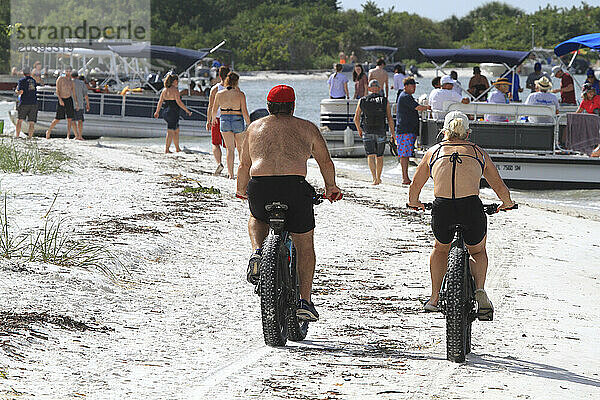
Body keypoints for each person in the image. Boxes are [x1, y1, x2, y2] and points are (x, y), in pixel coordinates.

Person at [236, 84, 342, 322]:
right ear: (293, 106)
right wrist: (331, 187)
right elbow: (325, 162)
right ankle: (305, 300)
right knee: (305, 244)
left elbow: (244, 165)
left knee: (257, 217)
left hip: (261, 186)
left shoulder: (254, 128)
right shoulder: (307, 127)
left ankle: (257, 253)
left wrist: (241, 190)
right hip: (294, 187)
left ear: (268, 106)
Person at [407, 111, 515, 314]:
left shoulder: (433, 152)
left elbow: (415, 185)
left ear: (445, 131)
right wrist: (506, 203)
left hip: (443, 208)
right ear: (467, 132)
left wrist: (414, 202)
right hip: (471, 208)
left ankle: (434, 298)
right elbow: (498, 185)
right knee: (477, 251)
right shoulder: (478, 152)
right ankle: (480, 289)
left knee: (440, 249)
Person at [353, 80, 395, 185]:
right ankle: (379, 178)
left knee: (370, 155)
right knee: (379, 156)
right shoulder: (384, 100)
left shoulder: (362, 100)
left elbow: (356, 118)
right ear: (379, 88)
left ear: (370, 89)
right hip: (381, 131)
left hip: (367, 130)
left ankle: (374, 178)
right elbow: (390, 118)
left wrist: (359, 129)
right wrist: (393, 133)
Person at [211, 71, 251, 179]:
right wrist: (249, 124)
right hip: (237, 119)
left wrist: (213, 119)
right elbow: (245, 112)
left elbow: (214, 110)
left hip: (224, 120)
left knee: (229, 149)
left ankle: (231, 174)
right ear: (236, 82)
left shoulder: (219, 94)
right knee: (240, 148)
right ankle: (243, 171)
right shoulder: (240, 94)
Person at [396, 77, 431, 185]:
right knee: (404, 155)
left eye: (415, 85)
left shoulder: (407, 96)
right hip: (405, 129)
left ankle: (405, 178)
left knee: (405, 154)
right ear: (406, 86)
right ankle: (405, 178)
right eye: (412, 85)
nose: (414, 87)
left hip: (407, 129)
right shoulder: (405, 96)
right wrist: (429, 107)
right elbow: (418, 108)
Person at [153, 74, 192, 153]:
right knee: (170, 131)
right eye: (177, 81)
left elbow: (160, 102)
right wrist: (187, 110)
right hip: (173, 112)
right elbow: (179, 102)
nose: (178, 82)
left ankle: (177, 148)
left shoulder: (164, 90)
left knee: (176, 130)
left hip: (166, 111)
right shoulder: (175, 90)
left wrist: (157, 112)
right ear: (174, 81)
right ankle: (167, 149)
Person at [206, 66, 230, 175]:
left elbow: (210, 106)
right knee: (229, 145)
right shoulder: (234, 89)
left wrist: (208, 120)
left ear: (219, 76)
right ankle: (231, 169)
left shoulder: (215, 89)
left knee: (216, 143)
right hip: (230, 118)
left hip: (217, 118)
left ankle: (219, 163)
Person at [45, 68, 76, 139]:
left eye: (69, 71)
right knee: (58, 118)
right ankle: (49, 131)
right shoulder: (60, 79)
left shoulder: (71, 81)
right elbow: (57, 90)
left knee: (70, 118)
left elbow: (73, 92)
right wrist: (60, 100)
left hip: (69, 99)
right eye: (67, 71)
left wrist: (76, 102)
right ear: (65, 71)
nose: (68, 73)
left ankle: (68, 135)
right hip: (62, 98)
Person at [14, 67, 38, 139]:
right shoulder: (33, 80)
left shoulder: (22, 80)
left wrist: (16, 91)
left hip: (24, 102)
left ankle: (17, 136)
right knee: (31, 122)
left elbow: (20, 92)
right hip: (34, 103)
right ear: (30, 73)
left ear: (23, 73)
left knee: (20, 120)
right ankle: (30, 137)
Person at [71, 72, 90, 140]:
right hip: (80, 104)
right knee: (80, 120)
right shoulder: (82, 83)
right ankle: (80, 136)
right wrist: (88, 105)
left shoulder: (69, 82)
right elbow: (86, 95)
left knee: (72, 121)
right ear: (77, 76)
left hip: (70, 104)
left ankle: (76, 135)